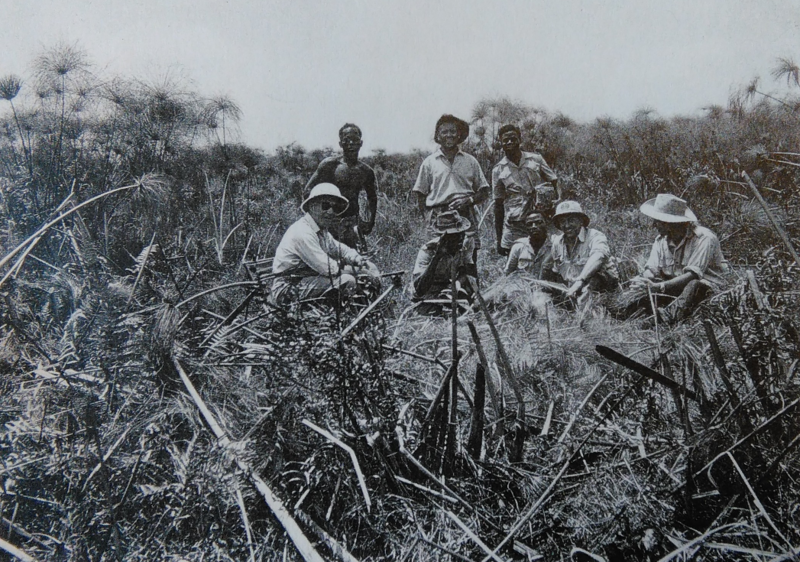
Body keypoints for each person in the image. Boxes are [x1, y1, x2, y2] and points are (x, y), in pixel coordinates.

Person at [623, 193, 727, 324]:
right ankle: (635, 311)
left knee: (694, 286)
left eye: (658, 221)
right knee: (637, 300)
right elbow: (652, 269)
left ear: (670, 223)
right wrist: (644, 281)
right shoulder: (661, 240)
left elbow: (692, 275)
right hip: (674, 287)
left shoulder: (704, 238)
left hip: (706, 290)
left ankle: (667, 317)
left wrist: (659, 286)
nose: (654, 225)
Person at [271, 183, 380, 305]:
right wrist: (358, 271)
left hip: (307, 280)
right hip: (288, 288)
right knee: (347, 281)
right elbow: (327, 268)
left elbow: (339, 249)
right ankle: (345, 318)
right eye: (325, 205)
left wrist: (358, 259)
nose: (331, 212)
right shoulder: (302, 232)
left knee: (363, 273)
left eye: (335, 208)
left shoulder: (321, 230)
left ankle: (362, 313)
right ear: (312, 206)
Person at [412, 114, 490, 266]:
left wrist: (469, 200)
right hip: (439, 216)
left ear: (459, 134)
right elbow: (420, 194)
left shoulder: (470, 161)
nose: (449, 135)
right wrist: (428, 219)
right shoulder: (429, 163)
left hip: (465, 216)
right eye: (444, 132)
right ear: (438, 136)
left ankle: (469, 289)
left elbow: (484, 190)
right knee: (437, 263)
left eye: (453, 131)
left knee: (468, 262)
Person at [305, 124, 378, 250]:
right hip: (329, 223)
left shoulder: (366, 171)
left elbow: (372, 198)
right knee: (328, 262)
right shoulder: (329, 165)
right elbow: (307, 191)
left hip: (352, 223)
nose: (350, 144)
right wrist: (317, 219)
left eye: (354, 140)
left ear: (360, 143)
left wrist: (370, 222)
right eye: (346, 140)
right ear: (340, 144)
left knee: (355, 260)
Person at [492, 124, 559, 257]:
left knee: (551, 254)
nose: (509, 142)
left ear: (519, 139)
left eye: (513, 138)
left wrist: (558, 201)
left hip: (541, 219)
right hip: (516, 222)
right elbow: (498, 204)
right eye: (505, 140)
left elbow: (555, 181)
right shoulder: (498, 170)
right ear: (501, 143)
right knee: (515, 257)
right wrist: (499, 239)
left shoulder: (536, 159)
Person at [544, 200, 619, 301]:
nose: (567, 225)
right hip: (571, 289)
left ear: (581, 221)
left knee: (594, 281)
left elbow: (599, 256)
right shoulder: (557, 242)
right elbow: (556, 271)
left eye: (571, 220)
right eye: (562, 221)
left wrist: (580, 281)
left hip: (598, 286)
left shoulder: (595, 236)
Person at [412, 211, 475, 314]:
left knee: (472, 306)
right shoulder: (428, 251)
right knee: (434, 314)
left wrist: (457, 283)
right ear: (444, 238)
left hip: (448, 289)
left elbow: (467, 271)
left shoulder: (464, 245)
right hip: (428, 294)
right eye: (454, 236)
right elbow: (420, 288)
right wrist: (437, 257)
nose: (460, 239)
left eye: (461, 234)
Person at [504, 212, 551, 277]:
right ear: (526, 228)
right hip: (523, 285)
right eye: (529, 224)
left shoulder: (554, 245)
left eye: (538, 223)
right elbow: (508, 274)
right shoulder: (518, 247)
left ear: (546, 224)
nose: (534, 226)